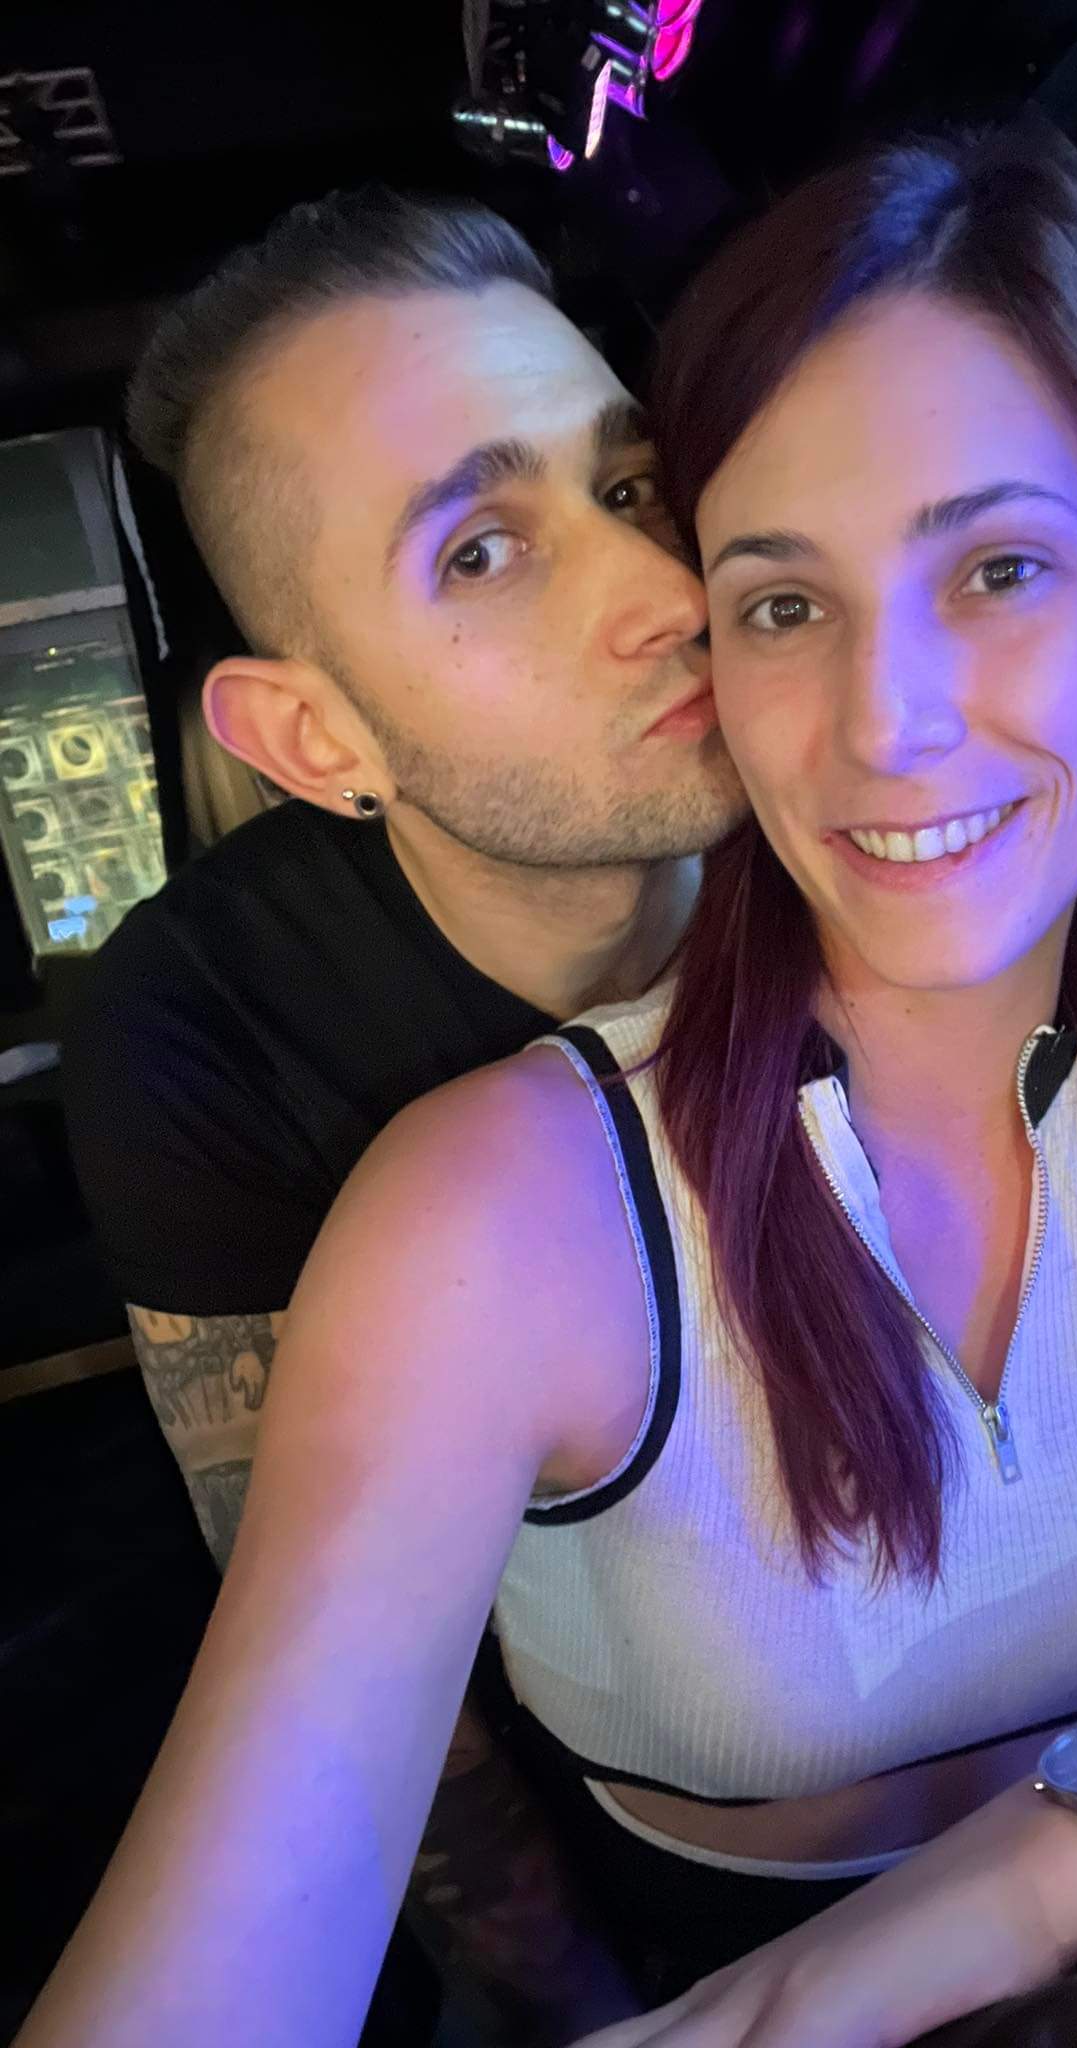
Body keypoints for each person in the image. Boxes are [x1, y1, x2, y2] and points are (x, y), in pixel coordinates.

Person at [24, 119, 1077, 2048]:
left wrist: (1055, 1869)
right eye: (786, 599)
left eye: (636, 488)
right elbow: (283, 1815)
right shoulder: (411, 1158)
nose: (877, 718)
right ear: (314, 741)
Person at [62, 188, 743, 2040]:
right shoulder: (201, 1028)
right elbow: (344, 1683)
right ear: (318, 741)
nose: (668, 597)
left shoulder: (873, 825)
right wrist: (576, 2007)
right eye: (481, 551)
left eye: (630, 485)